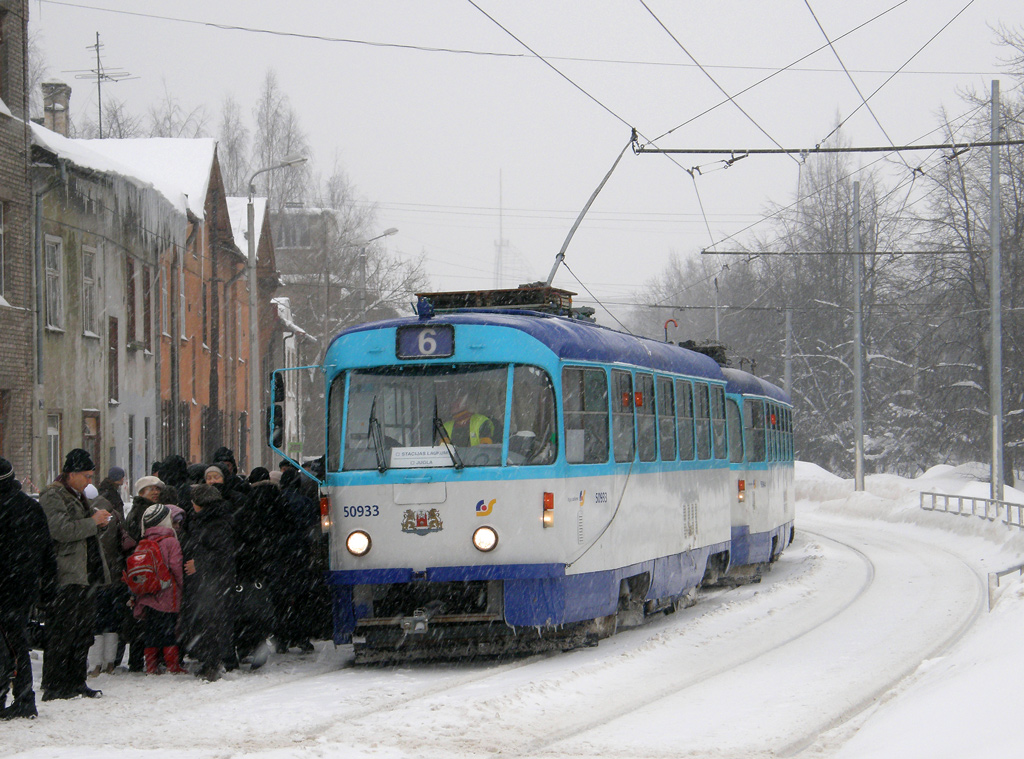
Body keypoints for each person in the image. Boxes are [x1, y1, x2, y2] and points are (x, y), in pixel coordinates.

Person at [38, 448, 112, 701]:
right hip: (67, 574)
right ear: (71, 474)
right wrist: (93, 522)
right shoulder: (53, 495)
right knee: (62, 632)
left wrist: (99, 524)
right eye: (86, 476)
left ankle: (76, 681)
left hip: (86, 575)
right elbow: (60, 530)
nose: (89, 481)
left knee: (83, 632)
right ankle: (55, 684)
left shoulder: (77, 495)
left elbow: (81, 531)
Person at [0, 457, 57, 720]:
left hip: (7, 586)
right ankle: (23, 697)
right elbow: (47, 550)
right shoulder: (30, 507)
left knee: (8, 645)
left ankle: (13, 696)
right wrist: (48, 588)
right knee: (17, 643)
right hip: (23, 588)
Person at [181, 483, 236, 681]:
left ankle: (214, 663)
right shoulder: (206, 519)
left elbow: (223, 553)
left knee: (212, 621)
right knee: (208, 621)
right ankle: (211, 661)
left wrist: (199, 564)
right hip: (208, 581)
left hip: (214, 581)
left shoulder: (215, 523)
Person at [132, 504, 185, 674]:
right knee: (169, 631)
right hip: (167, 595)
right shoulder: (171, 541)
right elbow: (176, 566)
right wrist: (184, 585)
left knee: (151, 632)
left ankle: (151, 666)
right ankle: (172, 665)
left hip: (147, 595)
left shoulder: (144, 541)